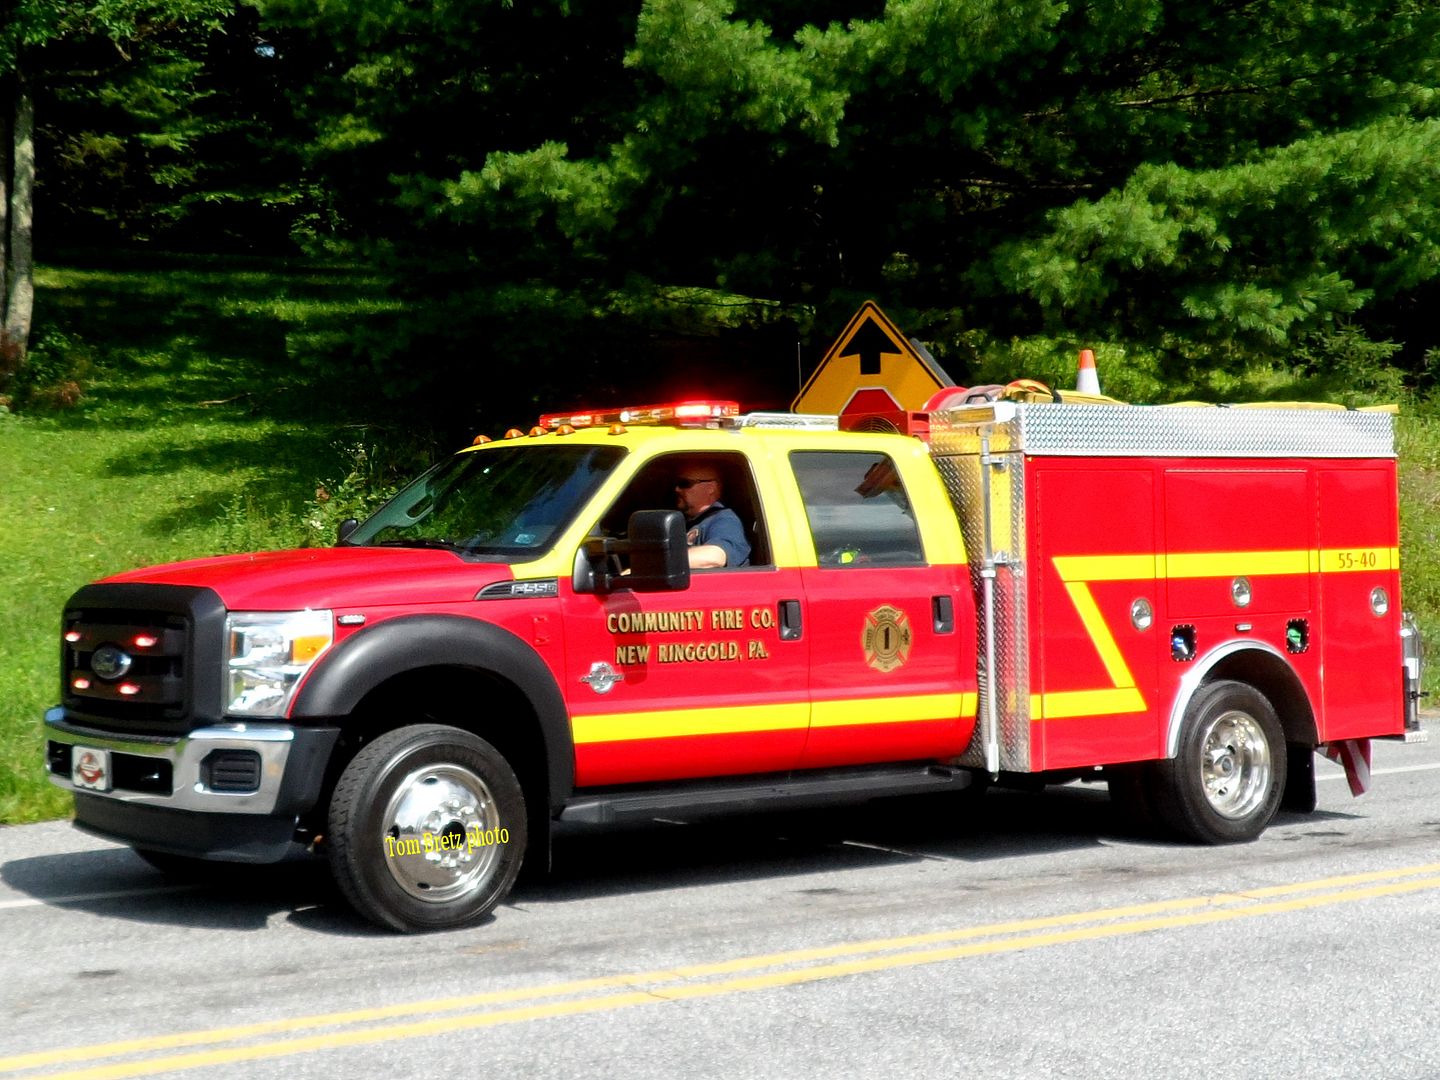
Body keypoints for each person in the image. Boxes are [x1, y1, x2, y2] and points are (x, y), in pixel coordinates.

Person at [672, 463, 750, 568]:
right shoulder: (688, 521)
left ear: (710, 488)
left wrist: (659, 562)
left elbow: (716, 556)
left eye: (684, 483)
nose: (677, 489)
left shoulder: (725, 520)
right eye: (676, 483)